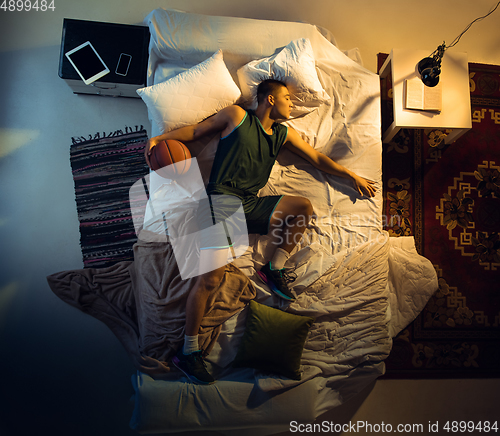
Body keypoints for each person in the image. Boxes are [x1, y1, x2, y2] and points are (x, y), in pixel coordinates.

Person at [144, 79, 377, 384]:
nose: (292, 105)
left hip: (250, 205)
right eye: (287, 98)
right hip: (221, 201)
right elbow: (196, 132)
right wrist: (159, 139)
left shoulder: (282, 134)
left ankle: (273, 269)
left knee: (303, 207)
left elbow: (316, 158)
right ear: (269, 99)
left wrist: (350, 175)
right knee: (210, 279)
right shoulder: (236, 116)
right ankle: (188, 351)